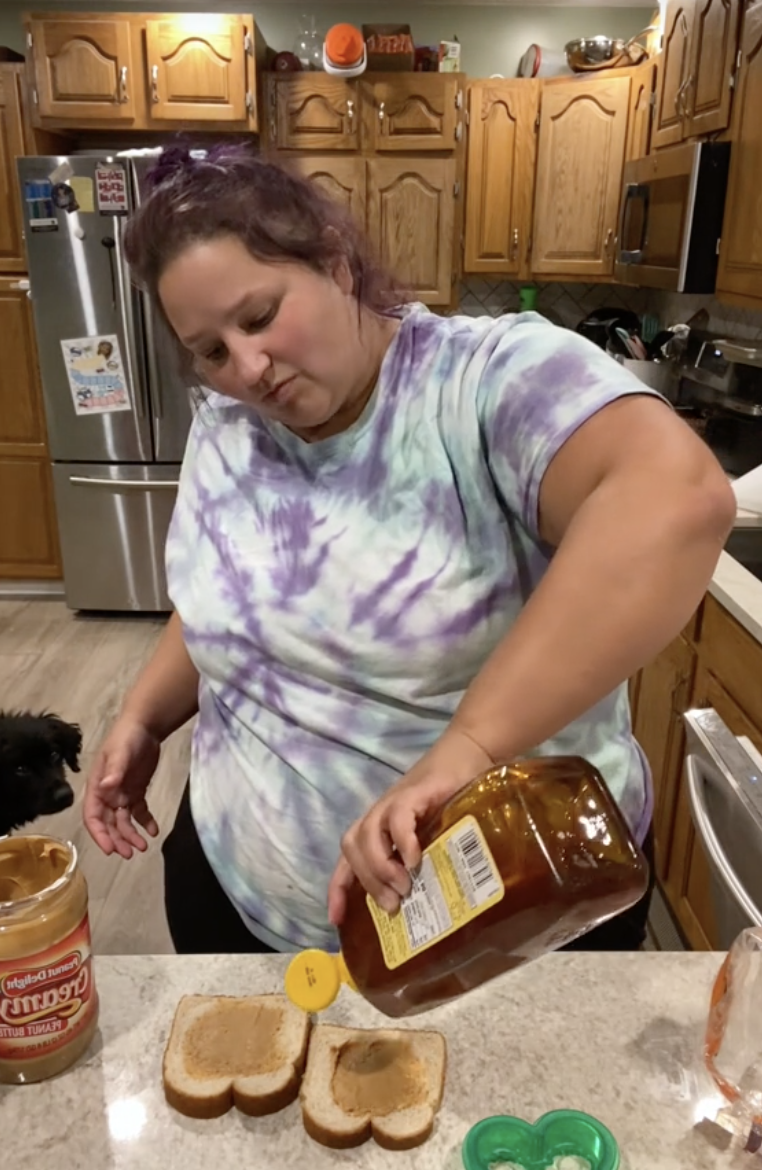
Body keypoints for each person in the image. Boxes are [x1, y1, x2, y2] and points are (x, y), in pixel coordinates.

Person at [83, 145, 736, 956]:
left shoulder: (481, 382)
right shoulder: (231, 420)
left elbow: (678, 500)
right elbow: (231, 599)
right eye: (211, 351)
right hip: (241, 902)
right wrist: (144, 715)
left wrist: (464, 752)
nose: (246, 368)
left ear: (335, 261)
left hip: (502, 921)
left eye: (258, 317)